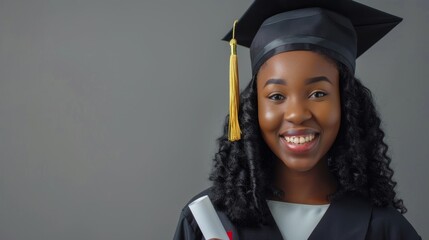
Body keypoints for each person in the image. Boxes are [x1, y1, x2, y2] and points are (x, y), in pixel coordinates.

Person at [173, 0, 422, 239]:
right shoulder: (209, 223)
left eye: (318, 94)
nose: (296, 114)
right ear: (253, 108)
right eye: (277, 95)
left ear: (346, 104)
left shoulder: (385, 230)